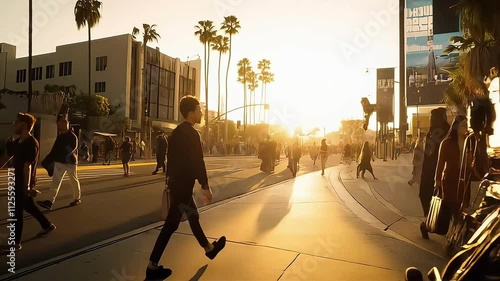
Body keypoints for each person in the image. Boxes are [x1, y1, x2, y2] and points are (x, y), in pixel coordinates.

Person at [146, 96, 226, 280]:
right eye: (199, 110)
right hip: (182, 186)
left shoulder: (177, 132)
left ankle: (209, 249)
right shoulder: (191, 134)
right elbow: (197, 161)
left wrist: (170, 180)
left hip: (177, 183)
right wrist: (205, 186)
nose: (201, 113)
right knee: (170, 225)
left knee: (193, 216)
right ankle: (152, 267)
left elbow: (171, 158)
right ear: (191, 112)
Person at [2, 113, 56, 252]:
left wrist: (26, 187)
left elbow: (28, 166)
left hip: (24, 181)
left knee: (16, 211)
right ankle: (47, 225)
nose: (14, 124)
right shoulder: (17, 142)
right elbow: (8, 159)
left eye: (17, 122)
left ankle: (15, 242)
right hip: (17, 179)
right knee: (29, 206)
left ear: (24, 125)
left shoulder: (31, 143)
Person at [419, 108, 450, 239]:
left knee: (431, 197)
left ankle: (429, 222)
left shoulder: (437, 134)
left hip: (434, 172)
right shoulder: (444, 131)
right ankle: (433, 223)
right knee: (437, 199)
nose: (430, 120)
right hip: (437, 171)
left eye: (432, 117)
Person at [37, 119, 81, 210]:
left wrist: (58, 157)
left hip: (70, 162)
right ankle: (49, 201)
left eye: (60, 125)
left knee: (73, 180)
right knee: (55, 182)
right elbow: (54, 150)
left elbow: (71, 149)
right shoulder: (60, 136)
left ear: (66, 125)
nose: (59, 126)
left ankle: (77, 198)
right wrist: (47, 160)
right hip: (60, 162)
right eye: (58, 125)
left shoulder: (72, 137)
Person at [434, 115, 470, 226]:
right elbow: (440, 163)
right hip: (450, 181)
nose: (466, 128)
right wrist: (437, 181)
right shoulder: (447, 142)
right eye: (463, 125)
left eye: (467, 125)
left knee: (461, 211)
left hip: (464, 182)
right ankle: (452, 238)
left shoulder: (469, 142)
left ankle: (454, 236)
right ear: (456, 127)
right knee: (453, 211)